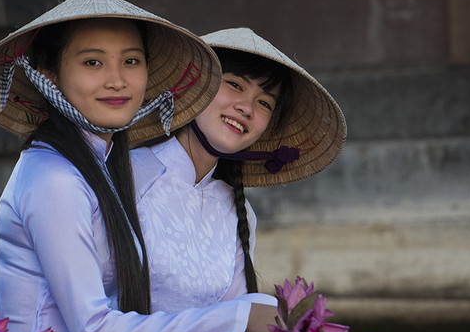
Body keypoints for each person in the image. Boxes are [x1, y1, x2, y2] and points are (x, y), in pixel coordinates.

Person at [0, 0, 281, 332]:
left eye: (130, 61)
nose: (117, 81)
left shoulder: (99, 167)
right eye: (92, 62)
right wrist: (242, 315)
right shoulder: (55, 178)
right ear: (49, 75)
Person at [132, 27, 346, 315]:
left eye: (264, 103)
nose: (247, 108)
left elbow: (236, 312)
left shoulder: (237, 210)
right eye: (235, 85)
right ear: (195, 86)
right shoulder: (128, 175)